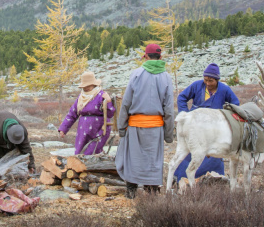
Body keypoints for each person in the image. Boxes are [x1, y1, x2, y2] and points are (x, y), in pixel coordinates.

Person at [115, 43, 174, 198]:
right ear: (160, 57)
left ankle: (131, 191)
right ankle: (153, 191)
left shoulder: (136, 74)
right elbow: (168, 110)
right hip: (156, 128)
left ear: (146, 57)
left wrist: (121, 127)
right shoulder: (166, 77)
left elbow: (126, 103)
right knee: (153, 160)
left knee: (132, 158)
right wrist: (169, 135)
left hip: (135, 126)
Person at [172, 63, 240, 183]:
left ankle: (215, 179)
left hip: (214, 130)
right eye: (206, 80)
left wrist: (225, 118)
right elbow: (182, 97)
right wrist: (185, 115)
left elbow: (235, 104)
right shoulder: (197, 85)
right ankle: (181, 179)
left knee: (214, 153)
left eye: (211, 81)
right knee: (190, 152)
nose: (208, 83)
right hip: (195, 127)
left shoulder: (224, 90)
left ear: (217, 80)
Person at [58, 70, 116, 155]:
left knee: (92, 151)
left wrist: (108, 101)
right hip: (83, 130)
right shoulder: (81, 97)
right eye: (84, 86)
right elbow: (72, 114)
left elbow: (110, 114)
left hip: (99, 129)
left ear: (93, 84)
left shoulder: (101, 95)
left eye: (88, 85)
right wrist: (63, 129)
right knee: (80, 153)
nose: (86, 88)